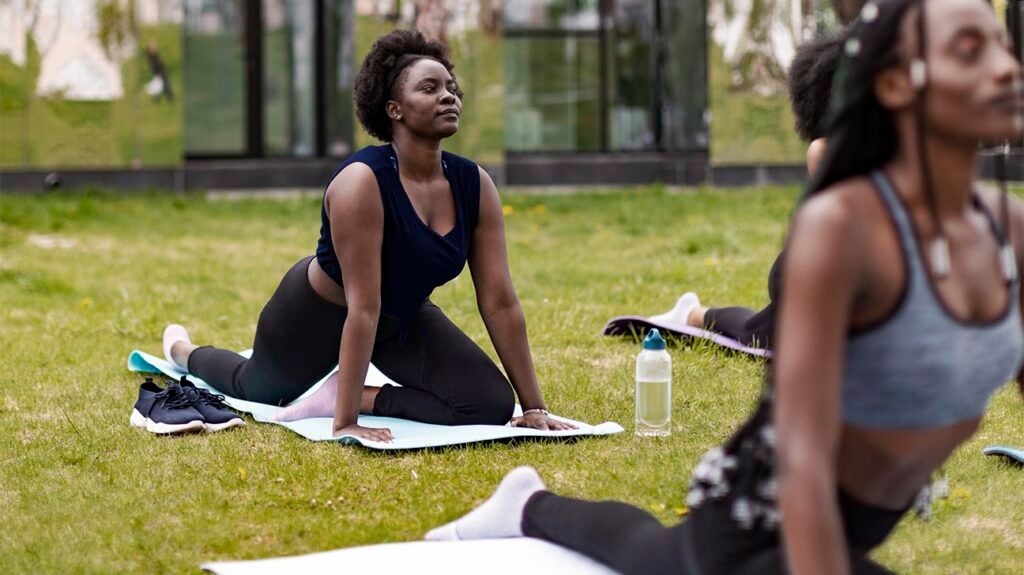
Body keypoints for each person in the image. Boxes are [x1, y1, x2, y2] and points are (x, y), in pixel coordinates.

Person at [426, 1, 1024, 573]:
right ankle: (528, 506)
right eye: (970, 50)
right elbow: (804, 458)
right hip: (761, 512)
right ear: (895, 85)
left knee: (659, 557)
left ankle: (528, 504)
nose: (1006, 67)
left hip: (863, 520)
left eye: (1001, 44)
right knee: (659, 560)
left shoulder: (1009, 228)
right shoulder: (844, 230)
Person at [162, 29, 573, 443]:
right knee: (256, 388)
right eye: (429, 88)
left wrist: (535, 407)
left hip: (402, 318)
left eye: (451, 87)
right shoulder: (362, 182)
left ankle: (360, 395)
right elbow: (362, 308)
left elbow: (500, 301)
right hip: (320, 314)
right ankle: (185, 353)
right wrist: (345, 426)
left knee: (488, 405)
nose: (448, 96)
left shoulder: (474, 184)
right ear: (394, 108)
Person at [668, 29, 846, 350]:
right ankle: (692, 314)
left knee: (763, 330)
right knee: (760, 335)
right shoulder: (825, 150)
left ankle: (695, 313)